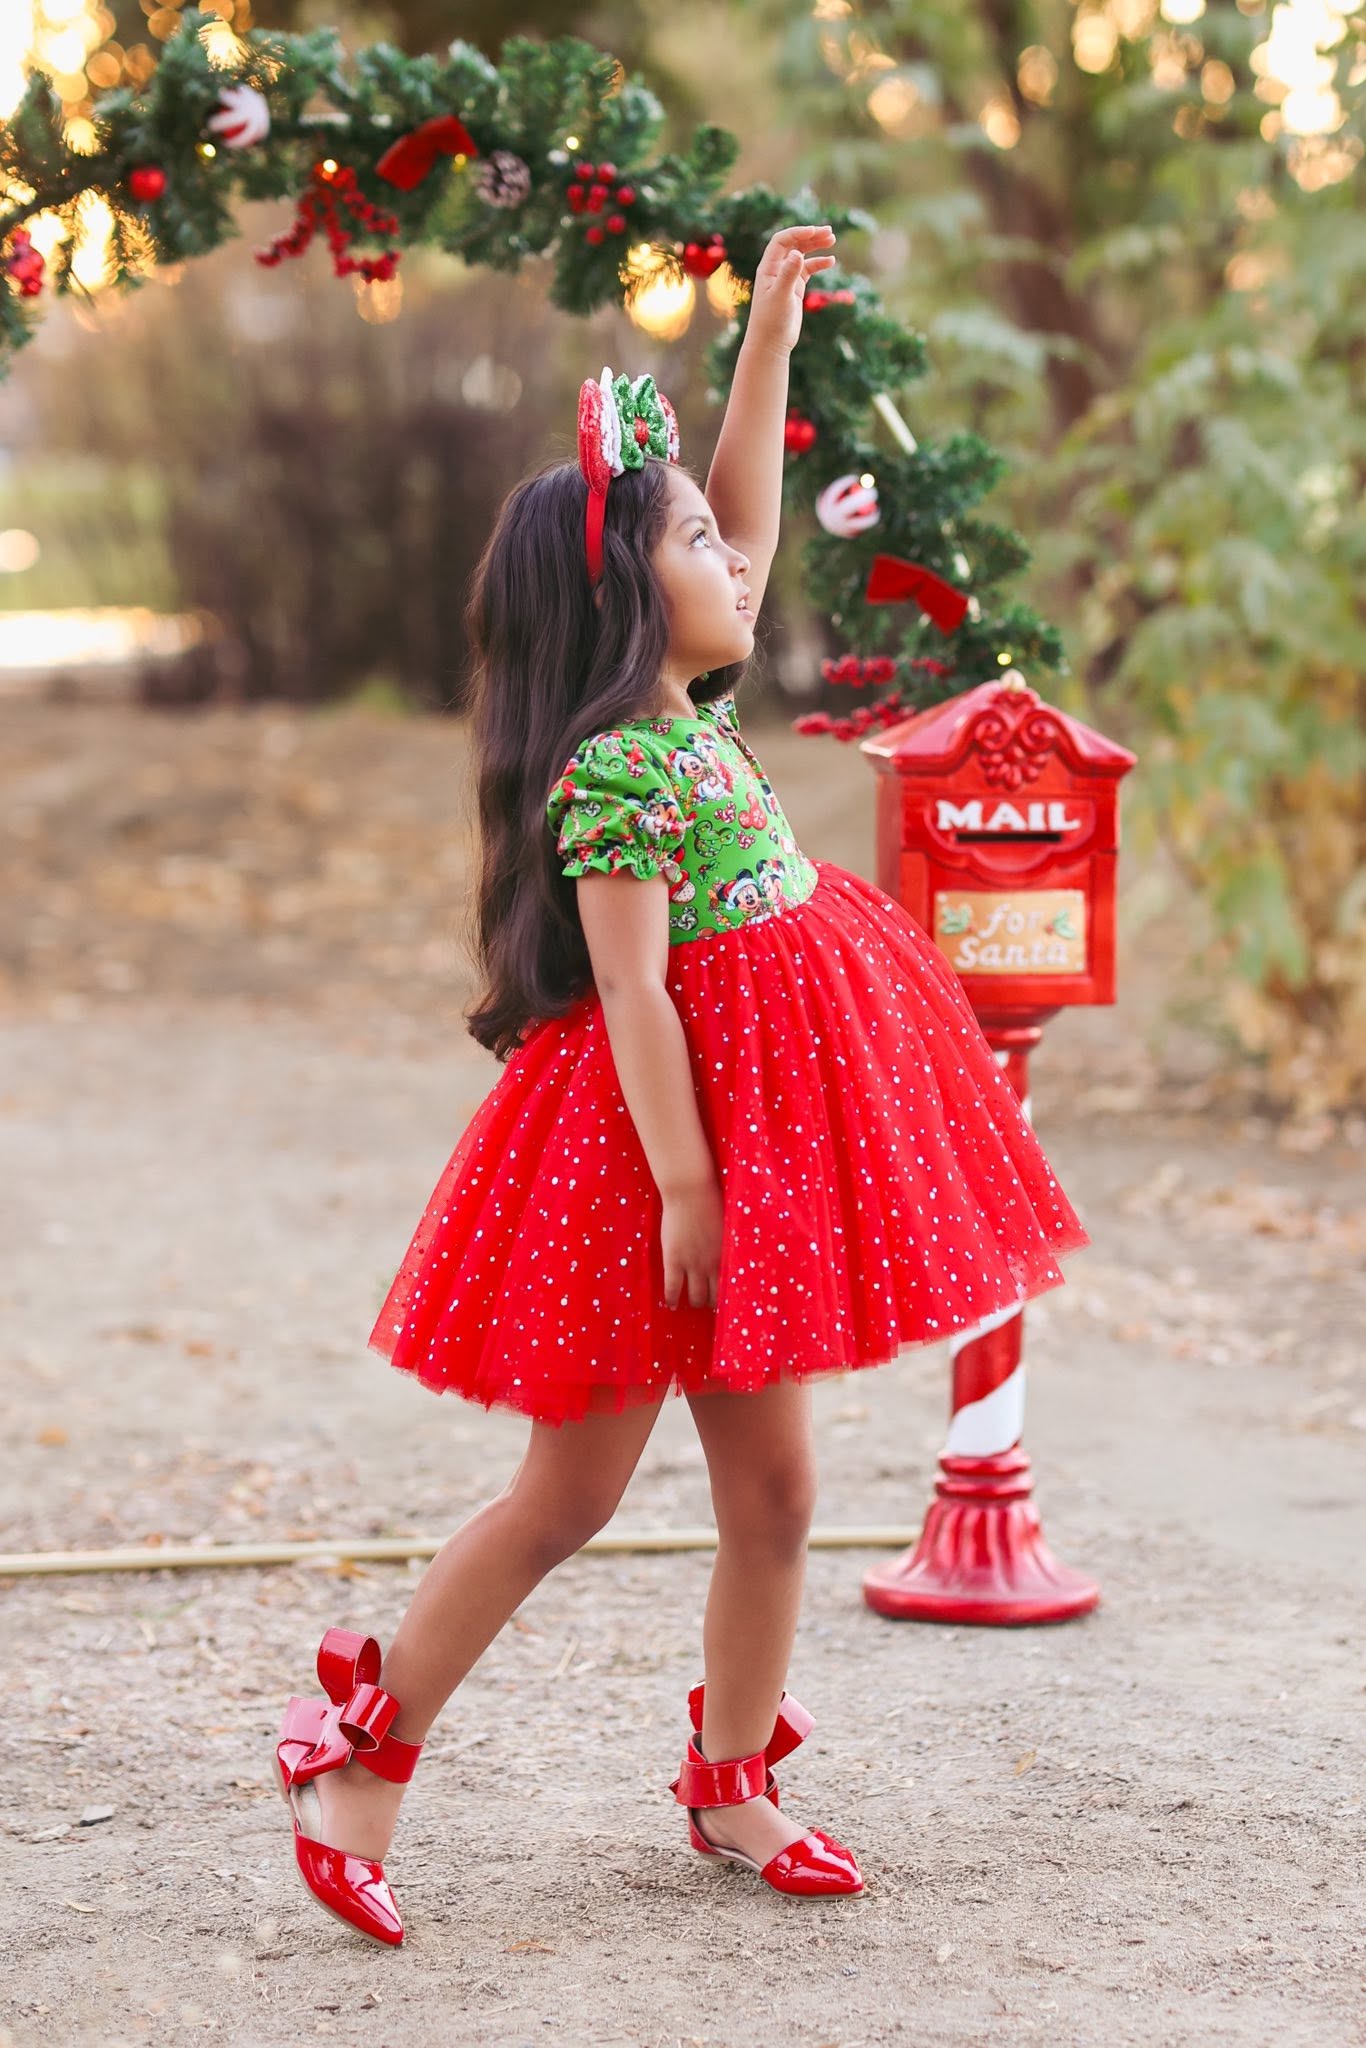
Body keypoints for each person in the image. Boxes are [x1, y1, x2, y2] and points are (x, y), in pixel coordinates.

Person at [273, 223, 1090, 1945]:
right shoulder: (614, 773)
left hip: (771, 1142)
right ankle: (363, 1760)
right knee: (567, 1494)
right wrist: (690, 1189)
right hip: (655, 1161)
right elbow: (633, 990)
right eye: (697, 548)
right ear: (630, 596)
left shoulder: (697, 702)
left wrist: (769, 335)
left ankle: (729, 1778)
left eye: (724, 540)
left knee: (776, 1496)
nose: (735, 554)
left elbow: (743, 500)